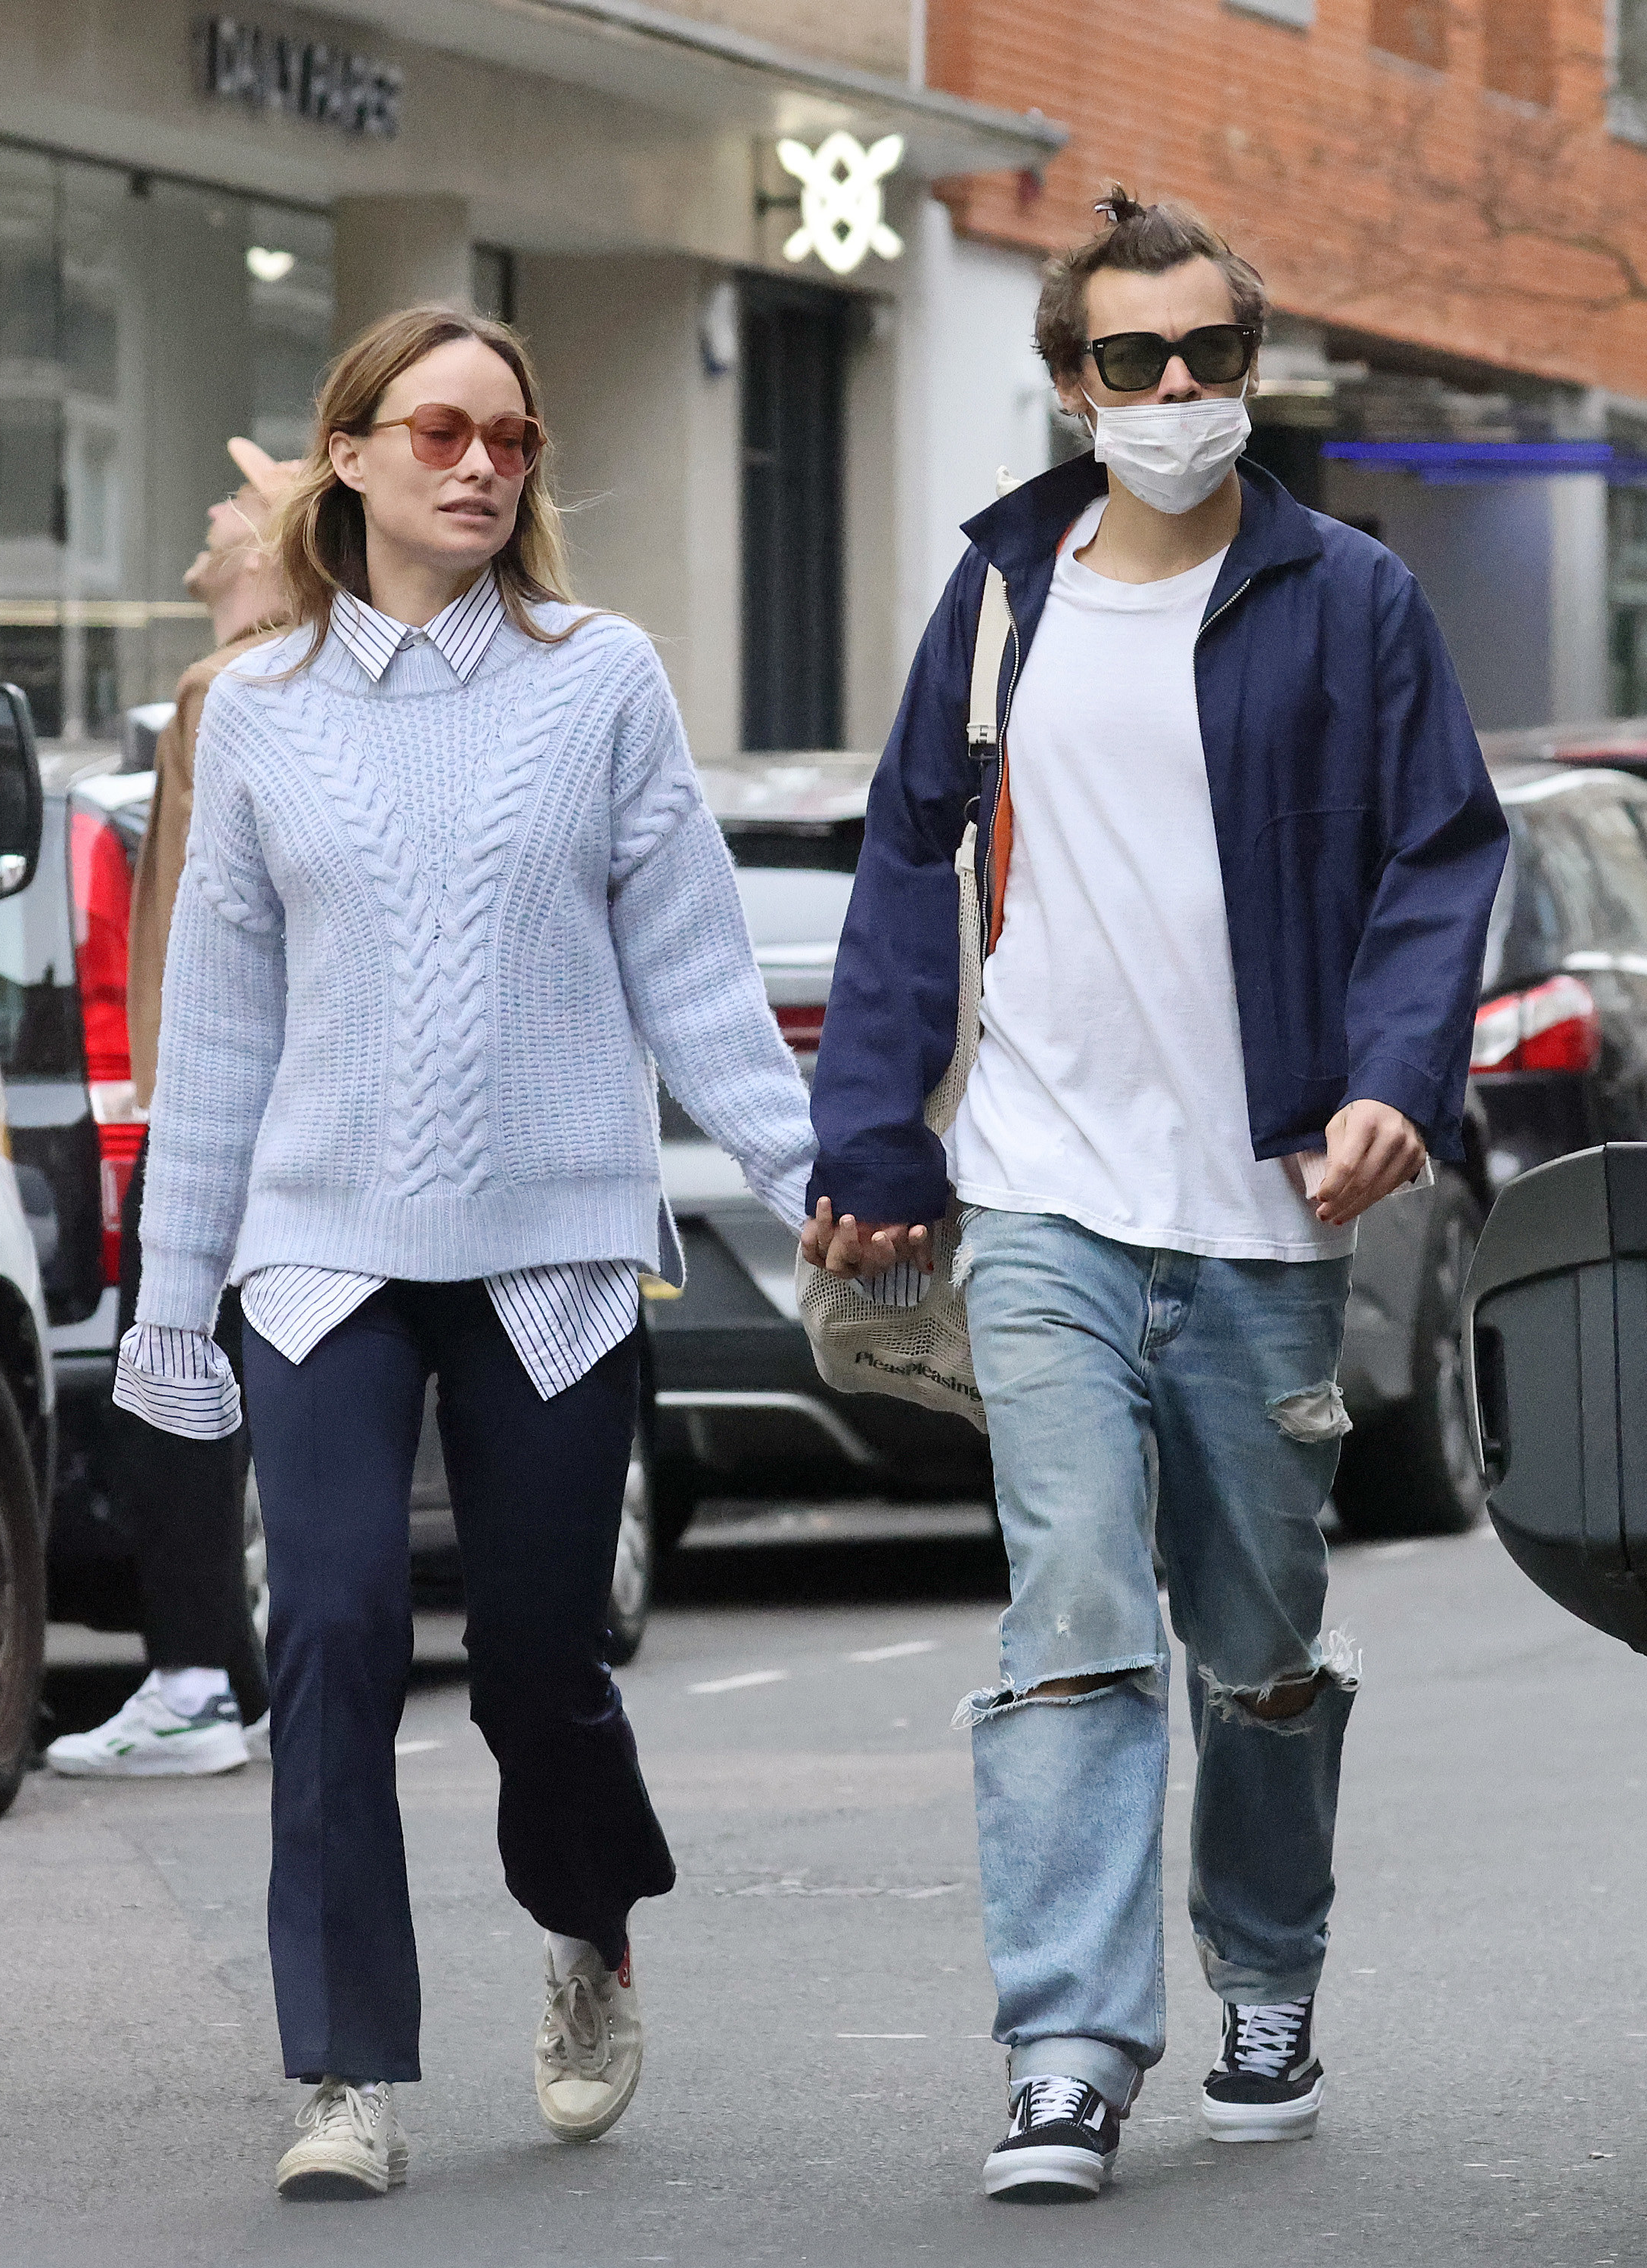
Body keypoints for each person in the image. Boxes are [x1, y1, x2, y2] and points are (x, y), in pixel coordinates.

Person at [801, 189, 1507, 2201]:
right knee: (1076, 1613)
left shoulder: (1351, 599)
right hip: (1041, 1197)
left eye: (1210, 357)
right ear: (1069, 385)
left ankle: (1266, 1966)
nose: (1179, 391)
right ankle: (1070, 2044)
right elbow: (903, 872)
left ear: (1249, 371)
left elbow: (1440, 859)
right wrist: (873, 1144)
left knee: (1257, 1644)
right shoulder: (1002, 601)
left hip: (1264, 1212)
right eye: (1136, 361)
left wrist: (1392, 1086)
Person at [113, 305, 815, 2196]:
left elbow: (689, 964)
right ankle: (343, 2069)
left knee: (533, 1661)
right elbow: (221, 1035)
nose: (483, 466)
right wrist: (175, 1298)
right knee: (330, 1628)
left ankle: (591, 1928)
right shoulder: (254, 714)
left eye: (510, 438)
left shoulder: (602, 679)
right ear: (348, 457)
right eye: (438, 432)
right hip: (320, 1248)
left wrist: (814, 1171)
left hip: (557, 1244)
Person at [47, 438, 299, 1780]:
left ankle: (197, 1677)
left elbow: (215, 926)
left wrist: (179, 1104)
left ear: (274, 542)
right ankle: (242, 1679)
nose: (209, 512)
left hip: (224, 1103)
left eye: (239, 498)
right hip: (271, 1102)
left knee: (174, 1381)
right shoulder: (284, 674)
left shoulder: (232, 684)